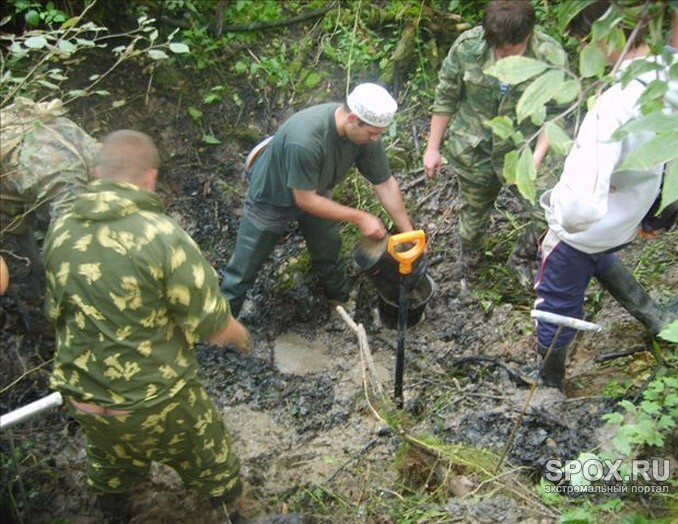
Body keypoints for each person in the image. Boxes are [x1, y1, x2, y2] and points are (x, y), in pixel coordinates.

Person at [43, 130, 252, 520]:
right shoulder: (161, 234)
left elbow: (55, 309)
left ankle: (113, 509)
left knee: (111, 466)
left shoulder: (61, 229)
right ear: (150, 177)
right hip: (157, 401)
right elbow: (213, 325)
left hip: (82, 396)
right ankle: (231, 510)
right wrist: (241, 336)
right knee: (217, 469)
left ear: (95, 172)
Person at [533, 1, 678, 390]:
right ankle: (656, 318)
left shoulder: (611, 108)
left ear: (604, 36)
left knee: (555, 306)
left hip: (583, 232)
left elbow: (577, 211)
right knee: (600, 257)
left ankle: (548, 381)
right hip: (625, 218)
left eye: (587, 41)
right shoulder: (675, 77)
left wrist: (554, 213)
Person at [221, 83, 414, 318]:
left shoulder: (366, 135)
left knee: (328, 248)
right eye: (373, 133)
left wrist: (409, 235)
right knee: (243, 268)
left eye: (379, 133)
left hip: (316, 189)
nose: (376, 139)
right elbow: (305, 200)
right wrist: (360, 217)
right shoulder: (306, 139)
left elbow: (385, 184)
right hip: (272, 196)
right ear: (353, 118)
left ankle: (340, 301)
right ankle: (222, 325)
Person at [423, 0, 567, 287]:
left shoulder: (549, 56)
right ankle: (472, 271)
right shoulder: (467, 47)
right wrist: (432, 148)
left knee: (551, 213)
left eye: (510, 50)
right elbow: (446, 96)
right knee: (472, 222)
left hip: (524, 149)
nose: (501, 56)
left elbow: (555, 114)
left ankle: (524, 258)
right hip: (475, 150)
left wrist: (536, 158)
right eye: (496, 48)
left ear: (529, 35)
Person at [1, 97, 99, 307]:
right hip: (21, 175)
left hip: (38, 164)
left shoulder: (91, 163)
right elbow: (69, 248)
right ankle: (35, 296)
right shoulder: (67, 182)